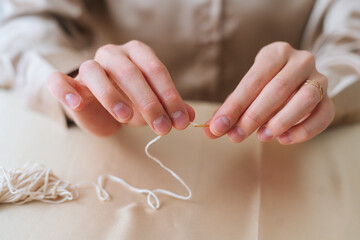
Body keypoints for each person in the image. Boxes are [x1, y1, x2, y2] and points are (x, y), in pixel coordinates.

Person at [0, 0, 359, 145]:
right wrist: (75, 79)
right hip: (118, 146)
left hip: (293, 156)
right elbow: (24, 20)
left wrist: (324, 82)